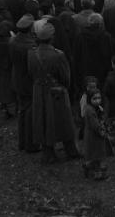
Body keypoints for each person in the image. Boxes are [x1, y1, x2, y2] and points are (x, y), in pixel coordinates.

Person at [28, 23, 79, 164]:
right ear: (52, 38)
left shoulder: (31, 53)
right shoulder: (58, 55)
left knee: (42, 120)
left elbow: (30, 72)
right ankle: (70, 149)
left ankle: (48, 152)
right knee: (64, 120)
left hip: (39, 90)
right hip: (56, 91)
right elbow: (66, 77)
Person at [8, 15, 38, 152]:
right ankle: (30, 144)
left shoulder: (13, 41)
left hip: (17, 79)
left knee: (22, 110)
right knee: (30, 112)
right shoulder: (30, 46)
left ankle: (22, 142)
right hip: (28, 82)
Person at [82, 88, 112, 180]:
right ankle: (98, 174)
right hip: (94, 136)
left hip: (96, 135)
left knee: (96, 154)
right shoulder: (89, 110)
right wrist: (102, 132)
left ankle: (89, 168)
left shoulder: (96, 108)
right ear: (89, 99)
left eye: (99, 98)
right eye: (94, 99)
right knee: (97, 155)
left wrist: (101, 113)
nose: (97, 100)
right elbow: (95, 125)